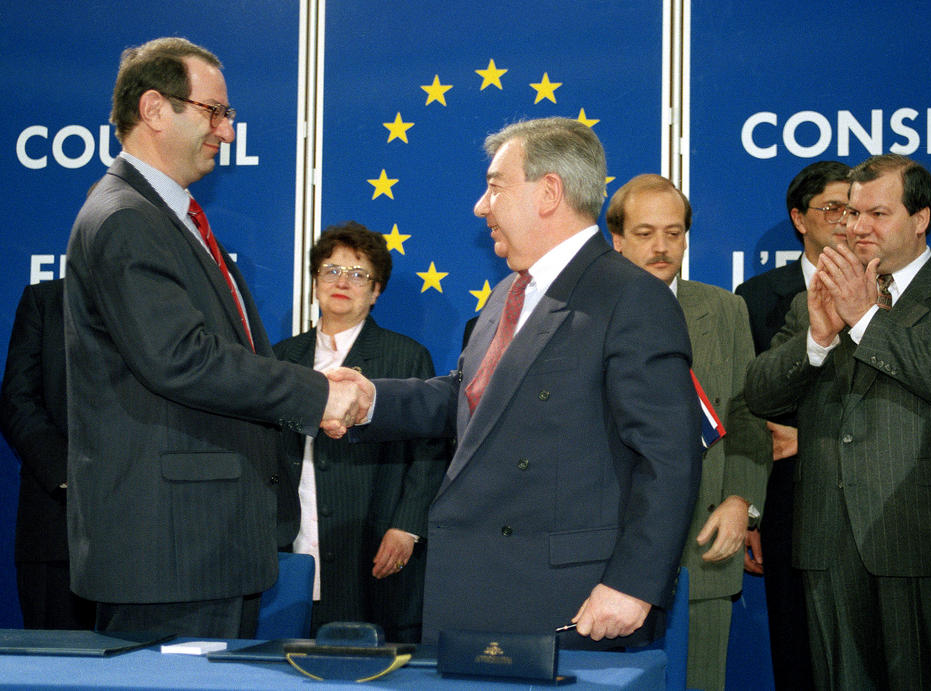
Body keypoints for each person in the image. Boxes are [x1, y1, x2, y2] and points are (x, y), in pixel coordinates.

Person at [336, 117, 703, 647]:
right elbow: (472, 400)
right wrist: (370, 400)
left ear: (548, 191)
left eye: (494, 187)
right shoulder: (506, 293)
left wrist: (631, 585)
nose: (481, 206)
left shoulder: (631, 297)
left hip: (568, 603)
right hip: (478, 591)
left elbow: (670, 457)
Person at [63, 37, 356, 638]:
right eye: (213, 111)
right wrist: (316, 394)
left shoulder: (168, 217)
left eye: (228, 115)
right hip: (169, 553)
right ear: (153, 109)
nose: (226, 131)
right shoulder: (125, 219)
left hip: (204, 548)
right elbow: (182, 359)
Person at [745, 154, 931, 688]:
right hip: (826, 540)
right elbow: (761, 394)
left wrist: (866, 318)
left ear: (921, 219)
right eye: (850, 213)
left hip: (922, 543)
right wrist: (818, 338)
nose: (857, 226)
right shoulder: (813, 298)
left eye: (877, 213)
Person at [606, 174, 770, 690]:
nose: (661, 247)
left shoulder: (724, 310)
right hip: (608, 551)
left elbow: (747, 415)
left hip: (704, 544)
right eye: (646, 233)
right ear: (617, 239)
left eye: (674, 233)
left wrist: (742, 498)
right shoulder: (585, 312)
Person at [275, 222, 447, 642]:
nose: (342, 282)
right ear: (315, 282)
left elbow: (431, 452)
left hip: (371, 540)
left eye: (358, 275)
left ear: (376, 292)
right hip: (291, 542)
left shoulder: (406, 357)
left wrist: (406, 527)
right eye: (331, 270)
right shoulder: (281, 359)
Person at [734, 159, 849, 690]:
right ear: (799, 219)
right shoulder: (755, 298)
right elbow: (742, 406)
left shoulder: (889, 289)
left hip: (871, 502)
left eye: (856, 209)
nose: (846, 221)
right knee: (795, 649)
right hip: (786, 500)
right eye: (832, 209)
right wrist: (751, 510)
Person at [0, 279, 93, 630]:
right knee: (57, 671)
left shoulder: (160, 301)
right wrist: (70, 476)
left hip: (142, 536)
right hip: (57, 526)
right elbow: (17, 400)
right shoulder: (47, 300)